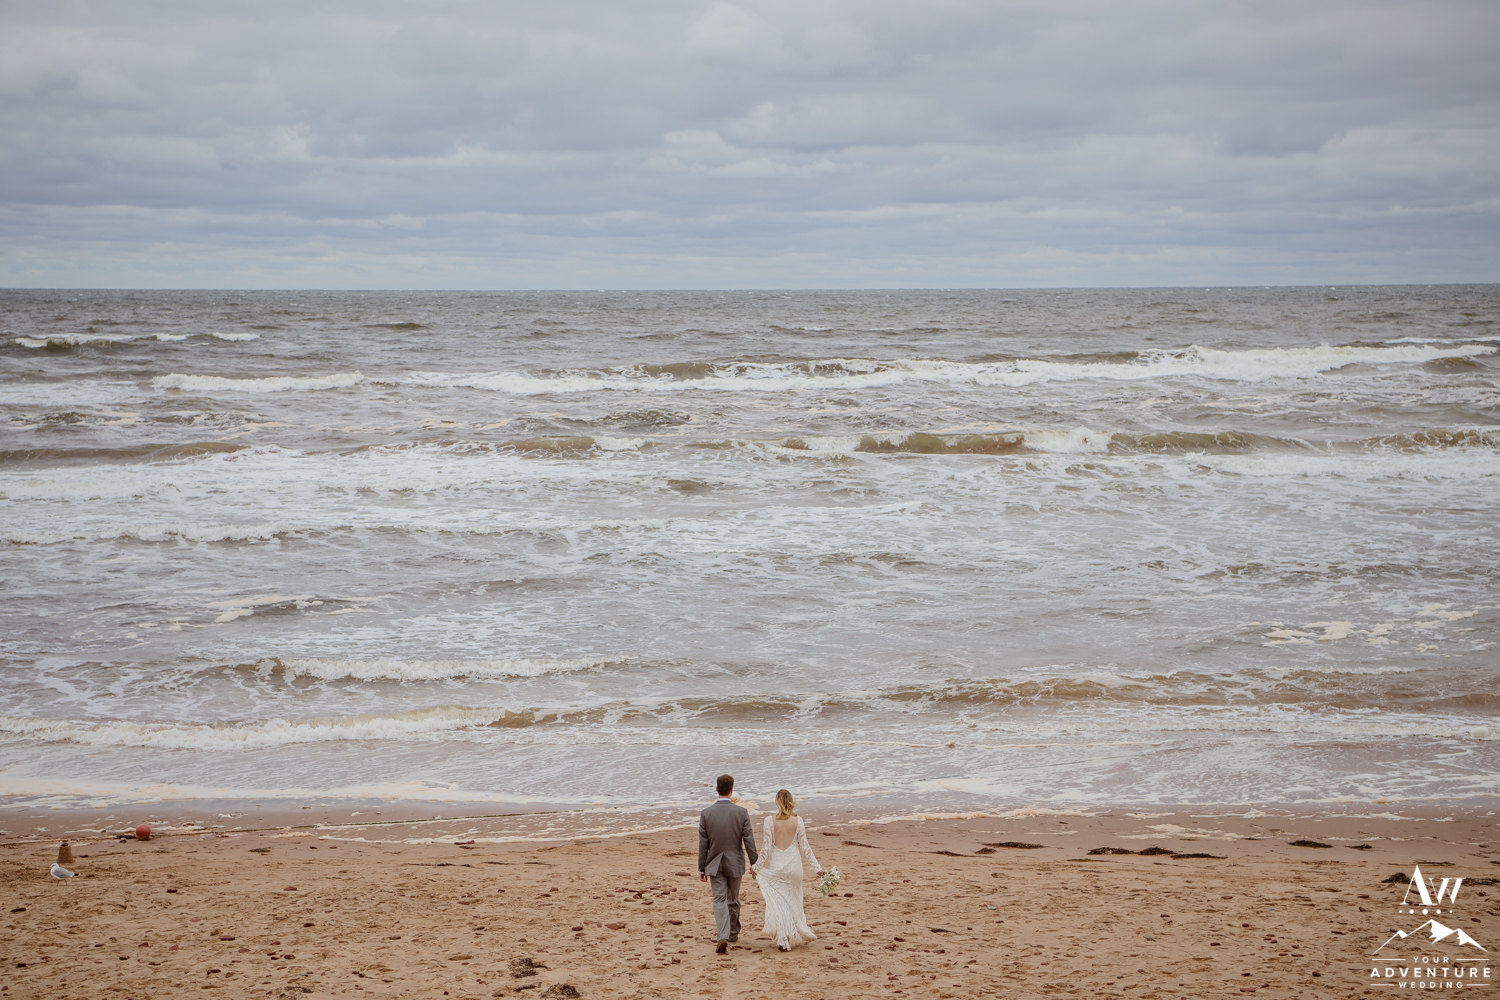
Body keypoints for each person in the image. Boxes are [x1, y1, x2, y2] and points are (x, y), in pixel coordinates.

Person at [751, 788, 822, 951]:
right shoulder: (798, 820)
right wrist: (817, 868)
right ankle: (791, 934)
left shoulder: (769, 821)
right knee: (794, 902)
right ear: (791, 802)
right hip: (794, 867)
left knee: (780, 903)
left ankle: (783, 939)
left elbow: (765, 849)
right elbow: (805, 847)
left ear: (777, 802)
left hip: (777, 866)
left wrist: (756, 867)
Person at [698, 773, 758, 954]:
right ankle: (732, 933)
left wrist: (701, 867)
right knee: (733, 898)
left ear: (717, 789)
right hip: (735, 862)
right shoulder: (742, 812)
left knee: (719, 899)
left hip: (714, 863)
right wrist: (755, 864)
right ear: (732, 790)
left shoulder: (706, 813)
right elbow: (749, 841)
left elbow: (703, 844)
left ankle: (723, 935)